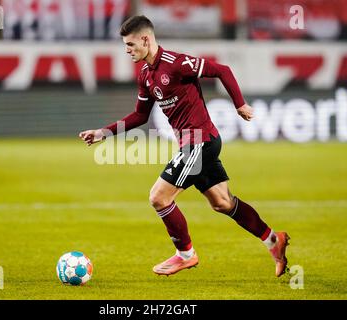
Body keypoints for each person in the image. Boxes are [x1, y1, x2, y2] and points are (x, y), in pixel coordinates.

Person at [79, 15, 290, 277]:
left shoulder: (176, 64)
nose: (127, 50)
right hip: (197, 144)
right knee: (223, 202)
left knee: (159, 197)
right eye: (125, 45)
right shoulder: (145, 75)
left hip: (200, 141)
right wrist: (104, 133)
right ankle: (273, 240)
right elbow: (140, 116)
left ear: (146, 39)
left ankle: (185, 255)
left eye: (131, 44)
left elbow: (222, 70)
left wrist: (240, 105)